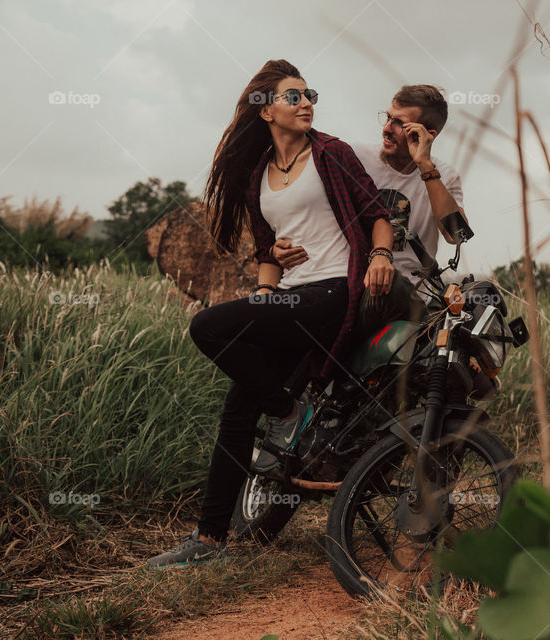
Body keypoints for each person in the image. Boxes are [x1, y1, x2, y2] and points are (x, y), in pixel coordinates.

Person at [146, 59, 394, 568]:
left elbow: (378, 215)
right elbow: (266, 252)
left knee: (206, 325)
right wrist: (266, 285)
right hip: (289, 298)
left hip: (332, 294)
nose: (306, 103)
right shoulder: (258, 175)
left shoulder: (332, 153)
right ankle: (209, 540)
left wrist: (382, 255)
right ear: (265, 111)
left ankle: (286, 411)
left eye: (309, 95)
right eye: (293, 96)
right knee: (237, 411)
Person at [352, 85, 467, 336]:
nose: (386, 128)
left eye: (399, 123)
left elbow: (455, 235)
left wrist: (425, 166)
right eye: (387, 117)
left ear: (427, 134)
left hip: (414, 300)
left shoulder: (444, 176)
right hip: (355, 290)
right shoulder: (357, 157)